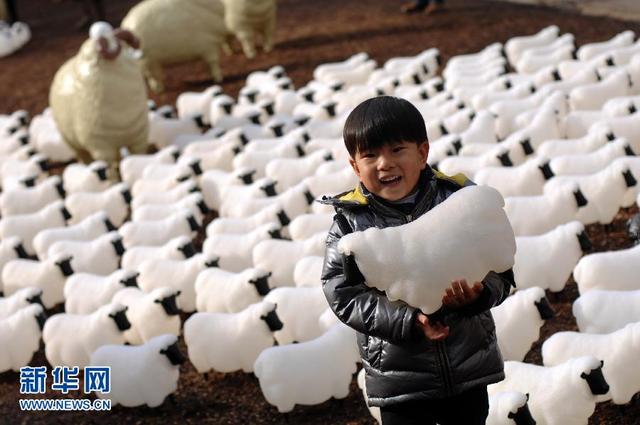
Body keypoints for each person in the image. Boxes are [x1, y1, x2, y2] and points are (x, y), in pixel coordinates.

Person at [320, 96, 515, 425]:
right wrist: (407, 320)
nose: (385, 163)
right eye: (370, 155)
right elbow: (343, 294)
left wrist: (479, 295)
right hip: (399, 375)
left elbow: (500, 268)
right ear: (355, 165)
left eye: (397, 150)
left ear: (422, 152)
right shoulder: (350, 224)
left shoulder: (458, 201)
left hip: (466, 364)